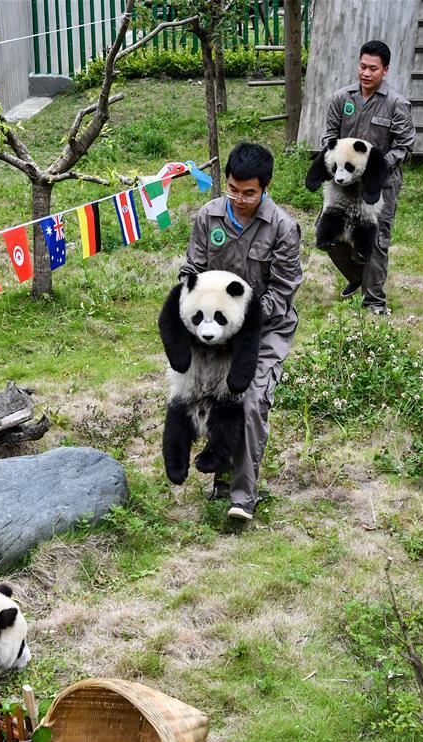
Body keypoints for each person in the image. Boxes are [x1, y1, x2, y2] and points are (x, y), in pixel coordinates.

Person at [178, 142, 302, 521]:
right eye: (233, 189)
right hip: (214, 330)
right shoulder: (209, 217)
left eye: (249, 192)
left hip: (264, 331)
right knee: (215, 400)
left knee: (251, 401)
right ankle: (222, 476)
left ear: (265, 188)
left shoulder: (282, 227)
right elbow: (190, 272)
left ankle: (243, 497)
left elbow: (282, 292)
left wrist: (240, 325)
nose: (240, 198)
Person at [321, 40, 415, 315]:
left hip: (379, 185)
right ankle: (358, 277)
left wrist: (375, 167)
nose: (366, 73)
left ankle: (374, 302)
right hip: (343, 181)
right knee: (328, 234)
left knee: (374, 240)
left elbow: (405, 145)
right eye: (362, 66)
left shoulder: (396, 104)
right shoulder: (342, 98)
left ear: (385, 70)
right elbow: (329, 136)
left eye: (373, 68)